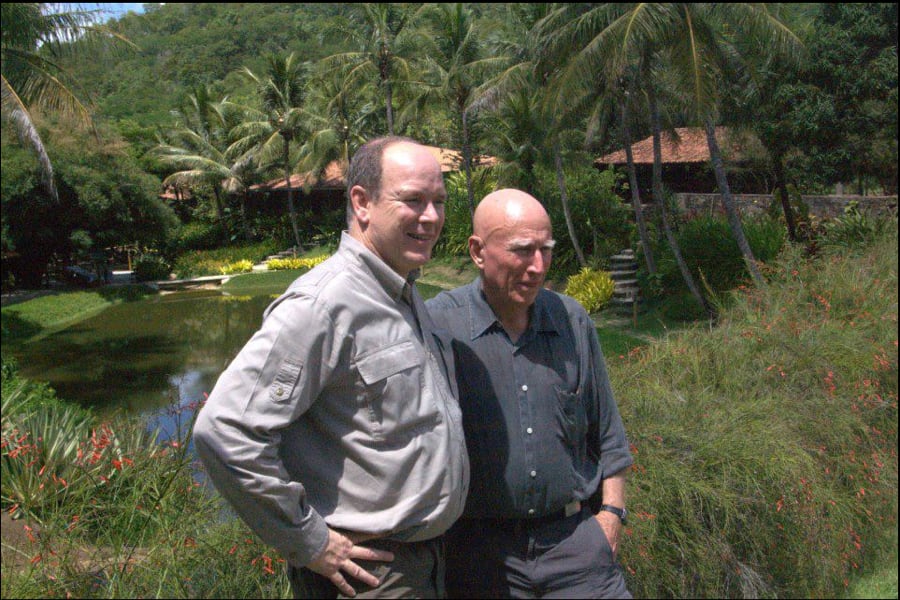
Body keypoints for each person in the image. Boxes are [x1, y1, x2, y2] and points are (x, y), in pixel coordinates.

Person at [193, 136, 469, 599]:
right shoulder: (323, 305)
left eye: (438, 201)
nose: (431, 217)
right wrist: (310, 541)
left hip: (427, 562)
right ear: (362, 203)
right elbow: (224, 430)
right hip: (371, 575)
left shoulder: (402, 293)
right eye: (413, 200)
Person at [426, 189, 634, 599]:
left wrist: (611, 514)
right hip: (481, 558)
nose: (538, 266)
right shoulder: (440, 326)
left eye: (546, 250)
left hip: (576, 548)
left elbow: (609, 435)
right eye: (523, 250)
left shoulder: (571, 321)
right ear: (478, 251)